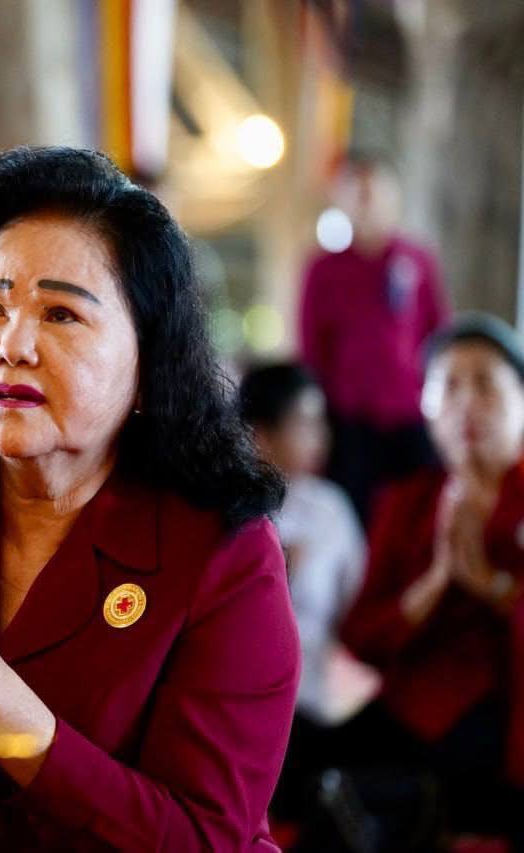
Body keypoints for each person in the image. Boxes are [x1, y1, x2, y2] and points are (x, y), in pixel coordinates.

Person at [0, 147, 298, 850]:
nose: (12, 344)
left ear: (148, 362)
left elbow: (206, 837)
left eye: (62, 314)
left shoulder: (222, 554)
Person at [338, 313, 524, 847]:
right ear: (426, 406)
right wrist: (437, 583)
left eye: (485, 384)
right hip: (414, 715)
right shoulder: (408, 503)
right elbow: (361, 635)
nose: (466, 403)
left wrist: (493, 587)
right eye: (448, 386)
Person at [239, 363, 370, 825]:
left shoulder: (329, 508)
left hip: (316, 698)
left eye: (321, 422)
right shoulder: (229, 507)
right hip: (243, 692)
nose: (321, 437)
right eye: (305, 422)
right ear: (260, 434)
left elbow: (358, 607)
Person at [298, 154, 449, 523]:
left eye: (375, 192)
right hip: (350, 421)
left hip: (410, 416)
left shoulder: (417, 261)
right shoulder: (322, 269)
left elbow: (438, 334)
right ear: (341, 200)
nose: (367, 202)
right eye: (357, 193)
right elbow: (311, 349)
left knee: (419, 513)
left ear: (393, 197)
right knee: (354, 515)